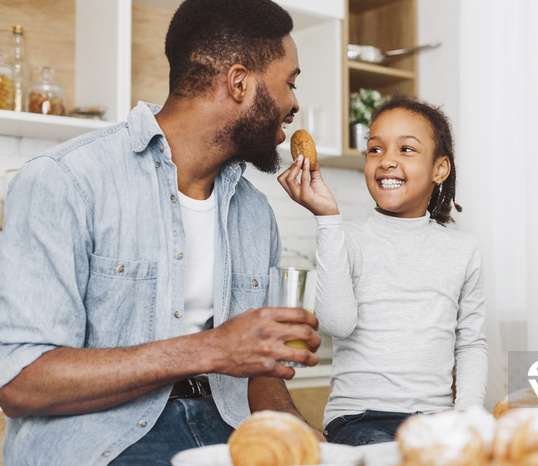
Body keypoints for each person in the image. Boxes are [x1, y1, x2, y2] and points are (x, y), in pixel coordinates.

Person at [0, 0, 323, 464]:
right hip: (102, 443)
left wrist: (303, 439)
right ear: (239, 82)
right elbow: (21, 382)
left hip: (228, 432)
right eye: (290, 82)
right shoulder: (65, 180)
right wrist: (212, 348)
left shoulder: (255, 212)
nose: (295, 104)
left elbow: (262, 373)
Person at [278, 95, 489, 446]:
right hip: (360, 419)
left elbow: (471, 343)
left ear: (440, 169)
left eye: (406, 149)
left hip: (435, 419)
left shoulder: (462, 250)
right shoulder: (344, 237)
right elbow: (337, 324)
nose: (386, 161)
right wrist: (327, 220)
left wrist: (466, 415)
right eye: (375, 150)